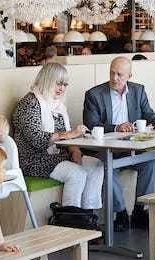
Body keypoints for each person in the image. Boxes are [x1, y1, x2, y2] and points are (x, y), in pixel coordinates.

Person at [83, 57, 155, 230]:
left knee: (149, 161)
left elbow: (148, 113)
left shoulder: (138, 91)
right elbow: (91, 123)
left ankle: (140, 210)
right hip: (107, 148)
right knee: (109, 167)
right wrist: (117, 127)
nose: (114, 78)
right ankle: (121, 213)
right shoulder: (94, 94)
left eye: (119, 74)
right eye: (112, 73)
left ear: (129, 76)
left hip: (132, 145)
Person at [13, 63, 103, 210]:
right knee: (77, 173)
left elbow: (68, 137)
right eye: (58, 83)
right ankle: (71, 220)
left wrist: (75, 151)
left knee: (96, 165)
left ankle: (87, 213)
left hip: (58, 157)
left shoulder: (58, 106)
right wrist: (71, 134)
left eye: (64, 84)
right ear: (46, 80)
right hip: (34, 160)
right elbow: (38, 140)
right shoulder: (29, 103)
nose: (61, 88)